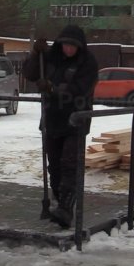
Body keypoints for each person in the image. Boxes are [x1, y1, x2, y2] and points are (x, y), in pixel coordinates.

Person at [22, 25, 99, 229]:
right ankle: (57, 202)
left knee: (69, 163)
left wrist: (54, 88)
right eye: (65, 45)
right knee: (54, 164)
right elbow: (30, 74)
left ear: (80, 47)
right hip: (52, 118)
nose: (68, 49)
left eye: (73, 46)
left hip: (76, 119)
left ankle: (66, 208)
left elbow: (80, 90)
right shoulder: (52, 56)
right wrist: (35, 53)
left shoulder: (88, 62)